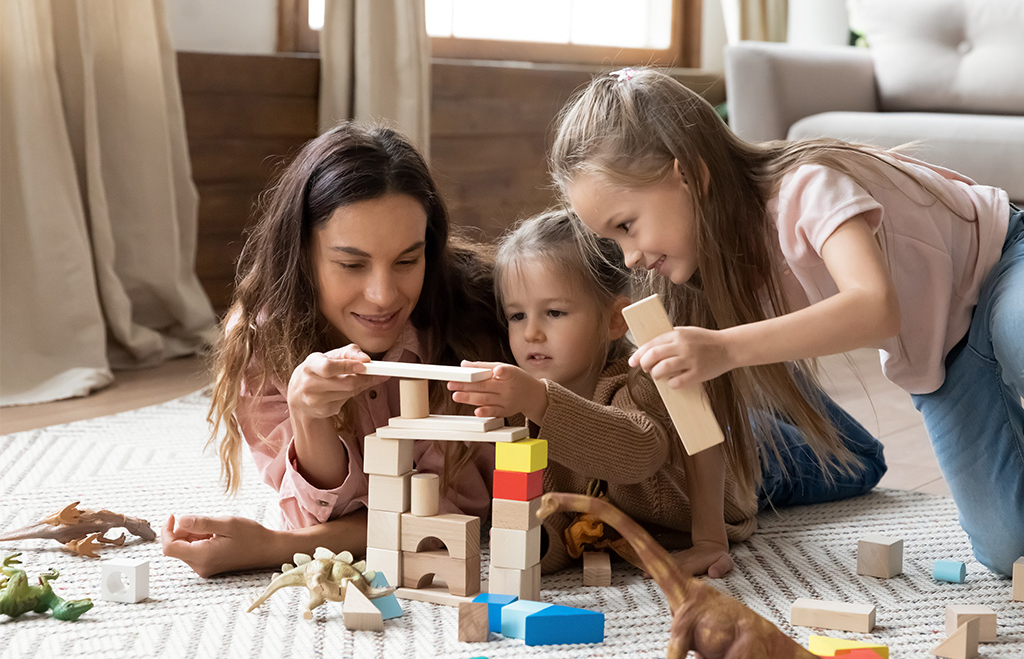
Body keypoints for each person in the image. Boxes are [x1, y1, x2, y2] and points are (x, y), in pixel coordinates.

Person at [549, 67, 1023, 576]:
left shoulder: (807, 186)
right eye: (614, 240)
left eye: (627, 226)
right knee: (1007, 552)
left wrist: (725, 347)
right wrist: (710, 538)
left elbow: (875, 307)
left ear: (689, 175)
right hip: (945, 348)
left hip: (1001, 260)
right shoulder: (695, 280)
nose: (630, 257)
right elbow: (702, 415)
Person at [449, 209, 885, 578]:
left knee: (863, 462)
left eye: (555, 312)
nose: (532, 333)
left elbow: (637, 452)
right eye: (517, 315)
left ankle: (766, 377)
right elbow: (557, 520)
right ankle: (742, 387)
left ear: (616, 321)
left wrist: (540, 400)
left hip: (745, 466)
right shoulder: (522, 408)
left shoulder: (640, 383)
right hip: (691, 435)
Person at [161, 122, 505, 577]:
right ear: (303, 253)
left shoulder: (473, 316)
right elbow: (318, 516)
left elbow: (446, 516)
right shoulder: (264, 343)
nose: (383, 295)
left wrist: (274, 547)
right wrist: (309, 417)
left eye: (407, 260)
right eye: (351, 264)